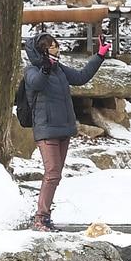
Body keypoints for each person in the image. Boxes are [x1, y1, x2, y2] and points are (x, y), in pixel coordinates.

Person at [23, 32, 110, 232]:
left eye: (56, 45)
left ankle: (45, 217)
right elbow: (37, 83)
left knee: (56, 175)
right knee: (52, 173)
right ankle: (40, 218)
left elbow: (81, 77)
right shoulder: (32, 70)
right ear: (43, 51)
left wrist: (100, 55)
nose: (57, 48)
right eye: (52, 46)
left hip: (63, 128)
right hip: (46, 129)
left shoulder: (59, 69)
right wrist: (46, 68)